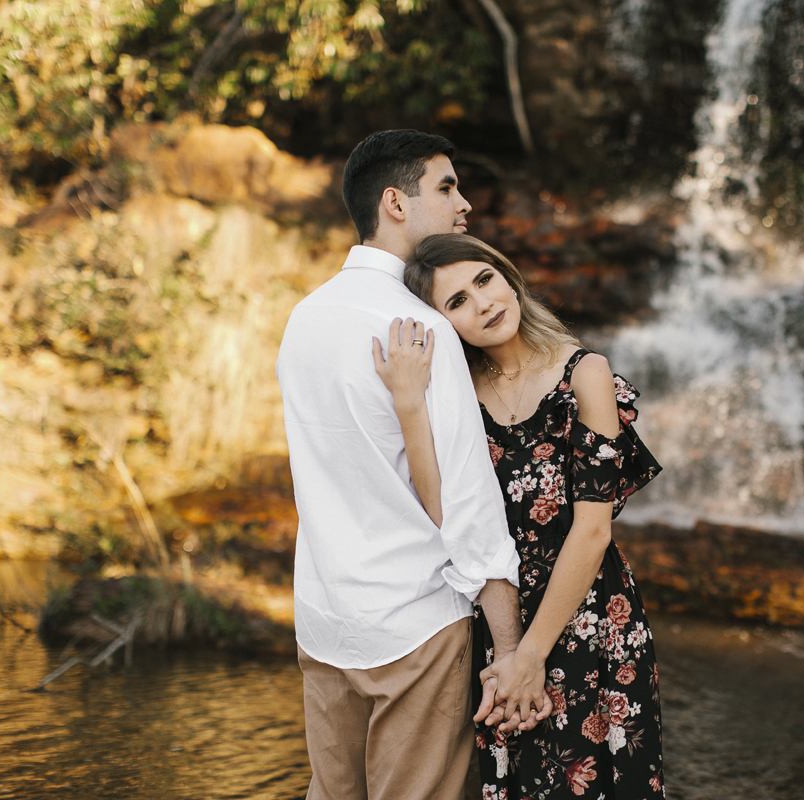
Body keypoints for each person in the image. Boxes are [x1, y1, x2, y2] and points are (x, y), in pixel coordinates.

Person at [276, 130, 550, 800]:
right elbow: (467, 501)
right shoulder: (417, 328)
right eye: (447, 188)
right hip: (414, 623)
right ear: (395, 203)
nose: (465, 207)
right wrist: (510, 649)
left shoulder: (303, 319)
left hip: (325, 616)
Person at [373, 233, 666, 798]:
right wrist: (409, 402)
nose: (482, 303)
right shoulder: (458, 393)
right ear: (442, 323)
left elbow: (593, 528)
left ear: (507, 277)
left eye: (484, 280)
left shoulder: (585, 375)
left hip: (589, 619)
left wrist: (528, 656)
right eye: (456, 301)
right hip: (497, 616)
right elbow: (442, 512)